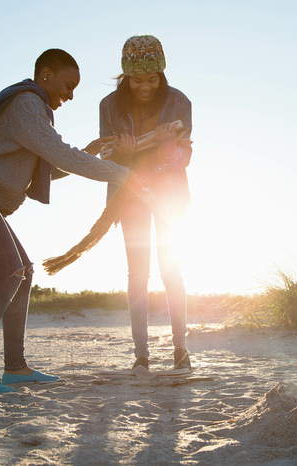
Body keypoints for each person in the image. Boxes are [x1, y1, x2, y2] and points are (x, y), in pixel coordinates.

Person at [0, 49, 138, 394]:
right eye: (68, 85)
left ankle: (15, 368)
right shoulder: (27, 103)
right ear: (46, 74)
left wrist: (86, 154)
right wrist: (123, 173)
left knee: (23, 271)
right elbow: (59, 155)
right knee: (7, 272)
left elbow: (42, 169)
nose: (70, 95)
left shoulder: (34, 109)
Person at [88, 35, 193, 370]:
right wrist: (124, 150)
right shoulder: (108, 106)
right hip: (129, 197)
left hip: (169, 198)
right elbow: (107, 160)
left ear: (162, 73)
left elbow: (183, 159)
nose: (145, 87)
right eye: (137, 80)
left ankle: (181, 350)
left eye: (152, 79)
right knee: (138, 274)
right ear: (125, 76)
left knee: (171, 269)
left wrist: (164, 147)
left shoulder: (179, 102)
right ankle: (141, 357)